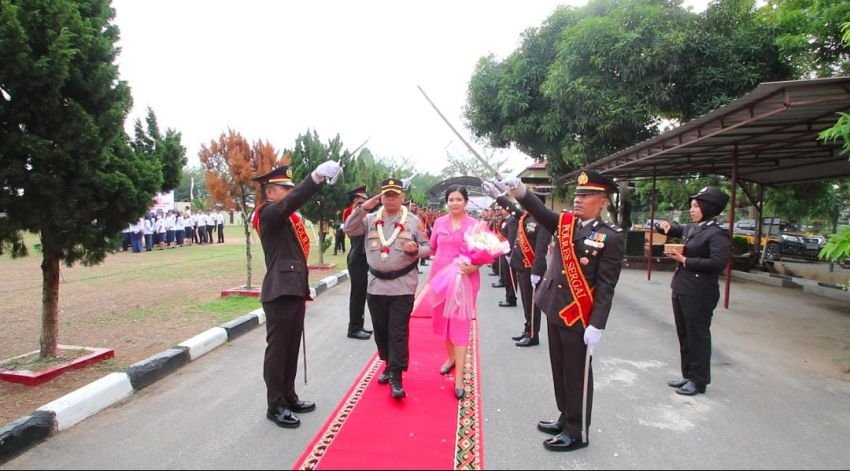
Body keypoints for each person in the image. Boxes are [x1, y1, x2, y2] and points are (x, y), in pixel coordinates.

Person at [491, 170, 624, 452]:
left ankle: (578, 431)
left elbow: (606, 285)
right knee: (559, 368)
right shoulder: (566, 224)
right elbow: (538, 211)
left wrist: (597, 324)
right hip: (555, 307)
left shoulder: (609, 237)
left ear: (602, 202)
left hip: (579, 314)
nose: (579, 200)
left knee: (576, 373)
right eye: (577, 195)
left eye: (586, 196)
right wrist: (520, 190)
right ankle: (566, 416)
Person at [252, 160, 342, 429]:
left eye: (291, 188)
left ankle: (289, 397)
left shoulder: (285, 217)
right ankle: (275, 404)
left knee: (291, 349)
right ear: (270, 192)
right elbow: (293, 202)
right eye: (284, 188)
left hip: (293, 288)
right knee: (278, 351)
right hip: (279, 292)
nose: (290, 193)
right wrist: (315, 177)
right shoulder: (268, 213)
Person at [344, 177, 430, 399]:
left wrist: (415, 250)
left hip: (402, 285)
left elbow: (428, 247)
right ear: (380, 197)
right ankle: (388, 362)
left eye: (395, 195)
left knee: (397, 331)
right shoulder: (370, 219)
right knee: (381, 331)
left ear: (402, 197)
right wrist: (363, 207)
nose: (390, 198)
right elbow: (349, 228)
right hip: (376, 286)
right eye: (386, 195)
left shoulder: (413, 221)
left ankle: (396, 377)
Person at [655, 186, 730, 396]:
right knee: (684, 334)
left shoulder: (717, 234)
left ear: (708, 208)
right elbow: (675, 229)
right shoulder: (694, 228)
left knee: (698, 336)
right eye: (692, 206)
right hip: (682, 288)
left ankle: (699, 380)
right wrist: (664, 226)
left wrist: (685, 260)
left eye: (696, 206)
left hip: (700, 291)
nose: (692, 210)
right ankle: (688, 374)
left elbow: (718, 262)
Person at [421, 186, 482, 400]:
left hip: (465, 281)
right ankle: (450, 358)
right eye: (451, 199)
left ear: (466, 202)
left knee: (460, 324)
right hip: (441, 280)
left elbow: (486, 253)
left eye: (458, 199)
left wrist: (475, 266)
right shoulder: (439, 223)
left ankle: (460, 378)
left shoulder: (475, 226)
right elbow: (433, 247)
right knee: (444, 322)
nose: (454, 202)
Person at [489, 190, 552, 347]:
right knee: (525, 301)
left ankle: (533, 335)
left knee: (532, 304)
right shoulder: (525, 216)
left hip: (531, 269)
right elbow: (511, 208)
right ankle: (527, 329)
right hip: (521, 266)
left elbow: (541, 250)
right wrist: (498, 197)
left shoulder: (543, 221)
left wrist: (536, 272)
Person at [342, 185, 372, 340]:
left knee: (361, 295)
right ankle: (354, 328)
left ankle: (359, 325)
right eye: (362, 201)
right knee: (357, 295)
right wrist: (358, 209)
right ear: (355, 201)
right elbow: (350, 225)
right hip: (357, 257)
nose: (365, 204)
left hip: (363, 257)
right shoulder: (350, 213)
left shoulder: (363, 215)